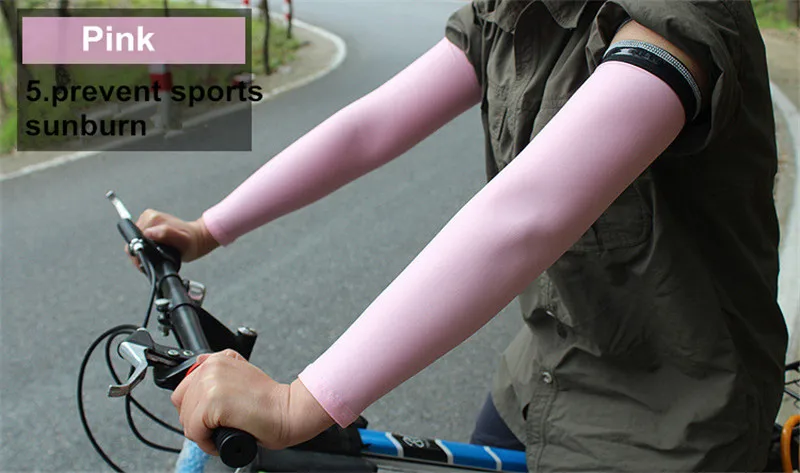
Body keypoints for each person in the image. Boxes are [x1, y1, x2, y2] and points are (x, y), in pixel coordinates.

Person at [134, 0, 789, 470]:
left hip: (671, 420)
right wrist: (209, 227)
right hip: (543, 376)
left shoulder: (678, 17)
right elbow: (369, 128)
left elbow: (530, 210)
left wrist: (298, 403)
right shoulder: (505, 12)